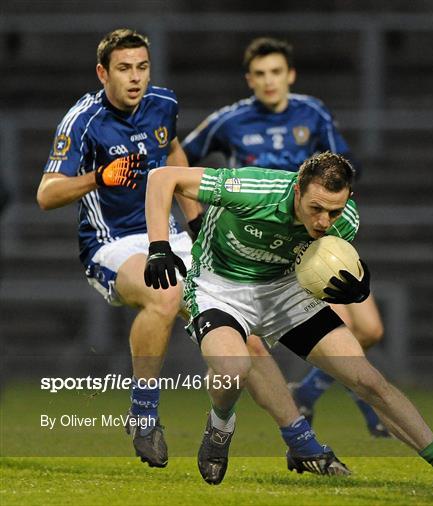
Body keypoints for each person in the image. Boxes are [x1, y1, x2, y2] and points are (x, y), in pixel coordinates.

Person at [36, 29, 347, 476]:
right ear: (103, 72)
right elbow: (46, 195)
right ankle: (143, 415)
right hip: (111, 243)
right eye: (124, 68)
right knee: (163, 294)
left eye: (142, 67)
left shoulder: (163, 103)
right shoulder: (82, 120)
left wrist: (197, 220)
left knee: (245, 337)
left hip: (169, 236)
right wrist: (99, 177)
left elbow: (175, 153)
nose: (135, 77)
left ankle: (303, 442)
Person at [143, 151, 433, 488]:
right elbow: (162, 178)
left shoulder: (345, 221)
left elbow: (325, 267)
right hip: (220, 287)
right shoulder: (253, 189)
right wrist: (158, 246)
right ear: (297, 190)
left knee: (368, 380)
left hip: (284, 292)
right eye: (315, 208)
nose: (323, 221)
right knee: (233, 369)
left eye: (333, 211)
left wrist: (357, 288)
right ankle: (220, 426)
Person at [182, 36, 388, 437]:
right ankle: (325, 421)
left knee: (370, 328)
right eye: (259, 74)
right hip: (261, 238)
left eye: (276, 72)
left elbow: (347, 165)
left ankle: (308, 394)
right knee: (337, 323)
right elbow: (181, 161)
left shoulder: (311, 113)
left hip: (314, 234)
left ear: (290, 74)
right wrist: (197, 220)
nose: (268, 81)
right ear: (249, 80)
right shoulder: (230, 120)